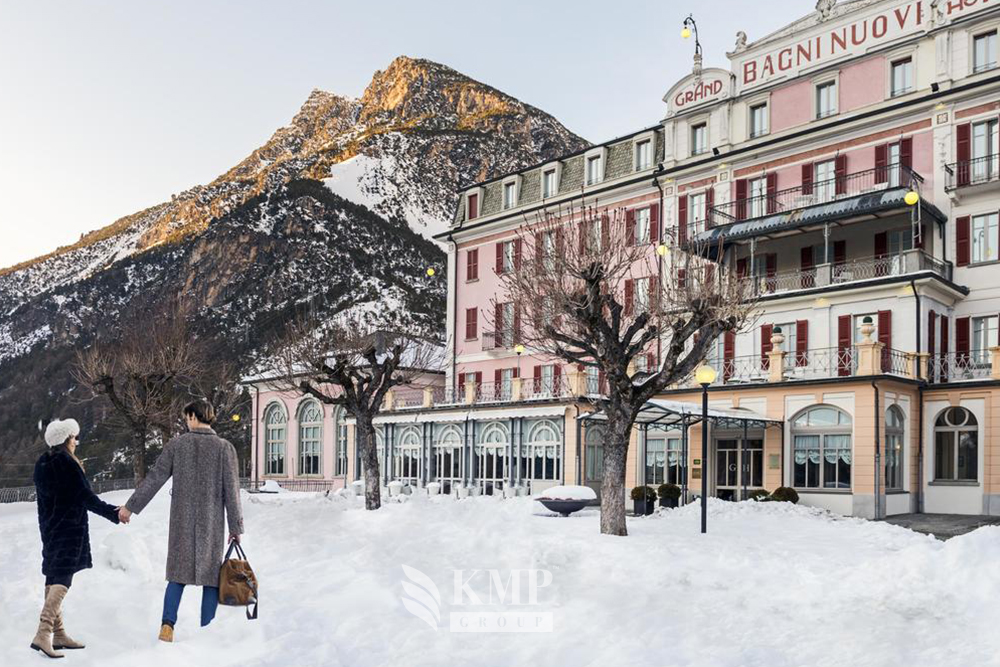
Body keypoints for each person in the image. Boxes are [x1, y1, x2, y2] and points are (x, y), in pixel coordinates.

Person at [120, 399, 244, 643]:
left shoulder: (177, 445)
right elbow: (232, 491)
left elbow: (155, 478)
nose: (186, 422)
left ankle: (167, 626)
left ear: (194, 417)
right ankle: (207, 629)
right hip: (211, 523)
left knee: (177, 575)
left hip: (181, 522)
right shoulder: (224, 448)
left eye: (187, 417)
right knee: (211, 578)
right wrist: (235, 527)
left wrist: (130, 507)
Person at [31, 418, 123, 659]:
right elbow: (86, 497)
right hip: (69, 529)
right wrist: (114, 513)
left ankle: (59, 634)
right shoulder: (67, 464)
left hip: (50, 529)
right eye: (74, 438)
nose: (76, 442)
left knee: (53, 576)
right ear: (66, 439)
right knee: (63, 578)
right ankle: (43, 632)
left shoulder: (43, 463)